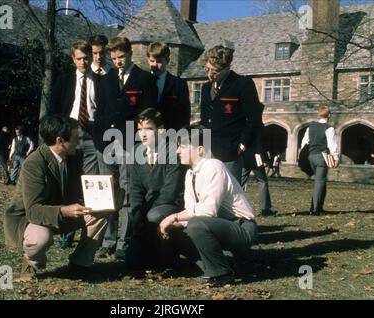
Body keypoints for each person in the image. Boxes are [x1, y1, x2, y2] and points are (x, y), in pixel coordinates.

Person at [4, 115, 110, 282]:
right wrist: (64, 210)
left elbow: (79, 190)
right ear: (60, 140)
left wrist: (105, 194)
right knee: (40, 238)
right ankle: (30, 264)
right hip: (32, 219)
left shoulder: (74, 157)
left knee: (103, 212)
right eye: (75, 138)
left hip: (63, 213)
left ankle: (79, 264)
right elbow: (33, 211)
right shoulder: (34, 163)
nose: (78, 142)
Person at [158, 125, 258, 287]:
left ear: (200, 150)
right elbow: (191, 211)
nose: (177, 152)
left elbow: (208, 211)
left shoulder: (214, 166)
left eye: (182, 147)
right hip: (218, 226)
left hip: (242, 227)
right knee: (176, 229)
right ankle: (224, 263)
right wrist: (171, 224)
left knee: (196, 225)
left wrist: (174, 216)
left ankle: (222, 273)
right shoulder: (190, 174)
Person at [94, 36, 158, 260]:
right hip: (106, 144)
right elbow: (99, 112)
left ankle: (125, 242)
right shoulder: (105, 80)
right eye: (113, 58)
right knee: (107, 195)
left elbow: (149, 115)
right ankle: (108, 241)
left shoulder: (144, 79)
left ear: (130, 54)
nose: (117, 62)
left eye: (121, 57)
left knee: (128, 194)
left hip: (130, 145)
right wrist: (99, 141)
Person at [50, 39, 103, 248]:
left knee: (88, 184)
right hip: (68, 132)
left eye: (86, 58)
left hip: (91, 133)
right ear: (73, 59)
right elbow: (54, 108)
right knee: (70, 182)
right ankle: (66, 234)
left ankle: (87, 233)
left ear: (92, 57)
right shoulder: (64, 80)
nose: (83, 62)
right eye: (79, 58)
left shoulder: (100, 80)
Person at [127, 108, 185, 271]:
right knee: (131, 263)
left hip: (171, 205)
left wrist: (145, 213)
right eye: (140, 130)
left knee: (153, 216)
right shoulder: (137, 151)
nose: (143, 134)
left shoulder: (172, 150)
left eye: (148, 129)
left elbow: (171, 190)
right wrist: (138, 210)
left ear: (161, 130)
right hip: (147, 206)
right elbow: (135, 187)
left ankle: (165, 257)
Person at [200, 45, 261, 182]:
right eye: (207, 69)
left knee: (230, 196)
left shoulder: (243, 84)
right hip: (207, 151)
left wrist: (242, 144)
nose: (209, 75)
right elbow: (204, 119)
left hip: (230, 152)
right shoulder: (205, 88)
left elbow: (254, 119)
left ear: (226, 68)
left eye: (215, 71)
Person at [301, 106, 339, 215]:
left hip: (311, 156)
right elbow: (332, 145)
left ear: (319, 114)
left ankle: (319, 206)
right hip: (322, 157)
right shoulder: (329, 128)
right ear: (329, 115)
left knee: (321, 181)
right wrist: (336, 158)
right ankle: (315, 209)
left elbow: (304, 143)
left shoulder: (310, 127)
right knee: (319, 182)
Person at [241, 103, 277, 216]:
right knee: (262, 181)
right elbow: (261, 143)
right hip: (256, 157)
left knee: (239, 182)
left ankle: (236, 207)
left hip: (245, 156)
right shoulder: (258, 125)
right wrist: (265, 157)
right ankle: (265, 209)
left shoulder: (244, 123)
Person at [146, 42, 190, 131]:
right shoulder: (141, 81)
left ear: (167, 61)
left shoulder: (179, 84)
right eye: (152, 61)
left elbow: (184, 114)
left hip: (170, 134)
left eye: (159, 61)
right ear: (148, 60)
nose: (154, 64)